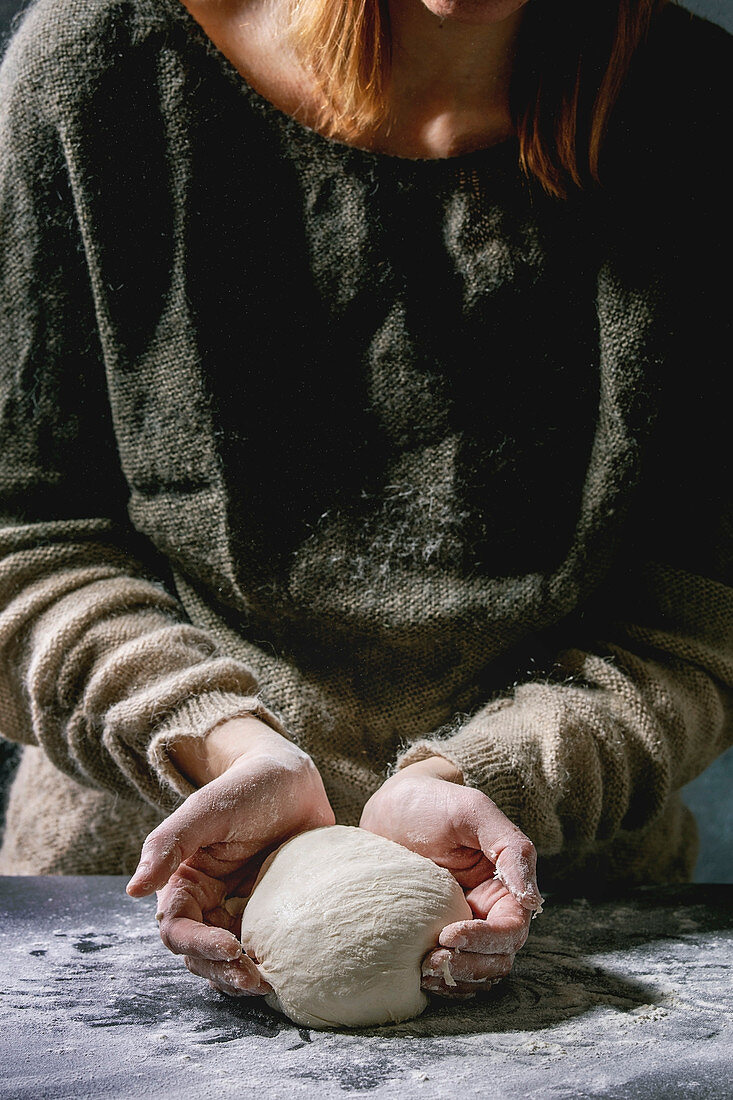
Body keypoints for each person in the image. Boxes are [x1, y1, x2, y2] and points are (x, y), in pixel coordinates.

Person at [0, 0, 730, 1004]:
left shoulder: (698, 113)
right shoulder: (103, 67)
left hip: (574, 925)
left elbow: (702, 610)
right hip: (125, 915)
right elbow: (24, 538)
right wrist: (218, 737)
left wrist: (489, 778)